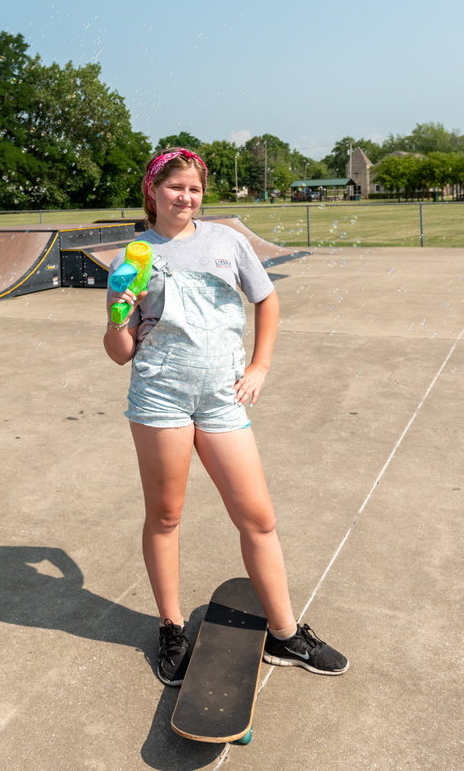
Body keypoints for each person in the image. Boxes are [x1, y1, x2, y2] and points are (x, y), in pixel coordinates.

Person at [104, 147, 348, 686]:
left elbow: (267, 299)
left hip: (221, 399)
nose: (185, 198)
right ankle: (170, 628)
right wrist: (123, 305)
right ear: (152, 191)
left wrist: (260, 365)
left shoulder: (226, 242)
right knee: (166, 517)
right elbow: (120, 351)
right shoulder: (135, 253)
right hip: (159, 398)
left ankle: (284, 634)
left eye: (193, 189)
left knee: (258, 517)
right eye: (174, 188)